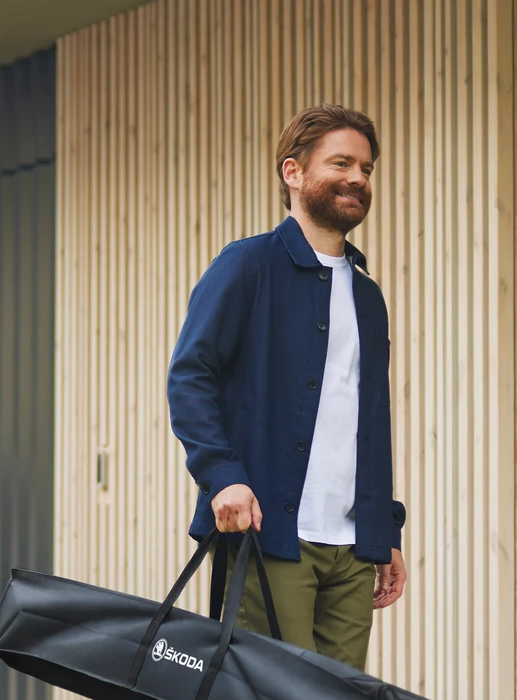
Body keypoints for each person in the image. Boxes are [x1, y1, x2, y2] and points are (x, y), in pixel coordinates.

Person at [166, 103, 409, 672]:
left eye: (366, 169)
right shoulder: (247, 265)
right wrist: (222, 476)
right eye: (342, 163)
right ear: (293, 172)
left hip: (352, 549)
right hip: (270, 535)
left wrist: (384, 527)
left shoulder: (367, 297)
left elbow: (367, 421)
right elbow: (190, 375)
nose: (357, 178)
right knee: (270, 689)